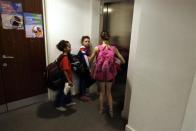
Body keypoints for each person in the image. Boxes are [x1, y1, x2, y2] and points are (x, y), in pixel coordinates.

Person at [89, 31, 125, 117]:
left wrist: (92, 59)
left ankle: (101, 109)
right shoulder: (114, 49)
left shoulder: (97, 48)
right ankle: (111, 111)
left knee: (102, 92)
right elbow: (123, 61)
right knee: (109, 92)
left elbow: (90, 60)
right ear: (109, 37)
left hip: (101, 73)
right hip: (110, 73)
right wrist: (115, 63)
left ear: (101, 38)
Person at [55, 40, 76, 111]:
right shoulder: (65, 58)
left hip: (65, 78)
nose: (70, 48)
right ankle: (59, 105)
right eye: (69, 47)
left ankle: (68, 102)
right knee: (63, 92)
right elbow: (64, 70)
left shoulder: (63, 55)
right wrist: (69, 80)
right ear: (64, 49)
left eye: (70, 46)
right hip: (65, 78)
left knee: (67, 91)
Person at [77, 36, 94, 101]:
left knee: (83, 80)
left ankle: (83, 93)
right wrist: (89, 69)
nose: (87, 43)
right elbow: (86, 60)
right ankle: (82, 95)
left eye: (88, 41)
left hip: (83, 68)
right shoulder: (82, 48)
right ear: (82, 42)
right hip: (83, 69)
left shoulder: (85, 49)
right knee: (83, 81)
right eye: (86, 41)